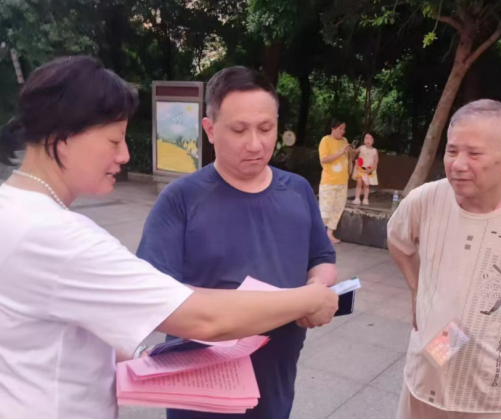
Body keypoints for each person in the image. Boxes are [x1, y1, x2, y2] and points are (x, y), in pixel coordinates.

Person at [0, 57, 339, 420]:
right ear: (61, 137)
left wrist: (141, 356)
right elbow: (200, 318)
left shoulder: (15, 211)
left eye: (266, 128)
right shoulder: (61, 240)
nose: (125, 155)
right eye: (114, 140)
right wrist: (309, 298)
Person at [137, 66, 338, 420]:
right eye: (239, 130)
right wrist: (301, 300)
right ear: (210, 129)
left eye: (266, 128)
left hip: (276, 387)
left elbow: (321, 257)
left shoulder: (297, 191)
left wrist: (316, 288)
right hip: (199, 400)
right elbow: (152, 299)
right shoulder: (180, 200)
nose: (255, 144)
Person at [388, 99, 501, 419]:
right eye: (452, 151)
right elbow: (398, 241)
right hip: (427, 375)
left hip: (495, 392)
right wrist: (416, 290)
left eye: (474, 154)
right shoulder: (426, 200)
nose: (458, 164)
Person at [318, 119, 352, 244]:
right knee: (325, 209)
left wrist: (350, 153)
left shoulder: (344, 141)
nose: (343, 131)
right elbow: (324, 159)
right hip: (329, 181)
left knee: (338, 208)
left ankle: (329, 233)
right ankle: (319, 235)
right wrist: (340, 152)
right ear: (333, 128)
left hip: (343, 181)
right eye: (340, 128)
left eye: (344, 129)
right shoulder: (325, 140)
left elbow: (347, 158)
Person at [352, 133, 379, 206]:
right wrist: (352, 147)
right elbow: (355, 152)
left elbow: (376, 161)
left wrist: (371, 169)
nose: (368, 140)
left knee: (366, 185)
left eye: (370, 139)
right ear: (364, 140)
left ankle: (365, 199)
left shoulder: (374, 151)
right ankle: (357, 198)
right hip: (360, 169)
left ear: (373, 141)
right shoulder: (361, 147)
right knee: (359, 183)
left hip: (368, 170)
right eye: (366, 138)